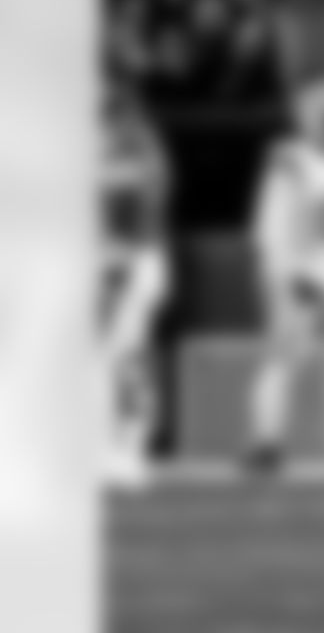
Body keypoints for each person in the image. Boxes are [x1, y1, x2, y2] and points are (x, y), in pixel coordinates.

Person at [245, 78, 324, 477]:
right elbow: (285, 223)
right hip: (288, 262)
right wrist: (289, 275)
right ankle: (267, 443)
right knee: (283, 352)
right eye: (321, 117)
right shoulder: (288, 155)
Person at [100, 106, 170, 490]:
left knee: (125, 357)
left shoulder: (133, 143)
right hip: (112, 260)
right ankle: (110, 448)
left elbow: (142, 209)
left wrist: (122, 263)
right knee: (108, 360)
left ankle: (130, 451)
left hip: (131, 262)